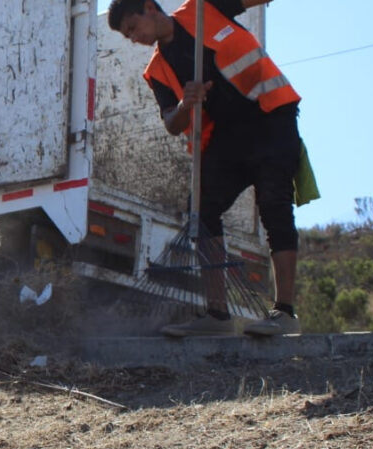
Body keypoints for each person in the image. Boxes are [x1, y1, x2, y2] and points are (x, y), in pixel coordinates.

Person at [108, 0, 305, 337]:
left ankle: (285, 313)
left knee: (275, 206)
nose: (134, 38)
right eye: (128, 36)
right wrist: (187, 103)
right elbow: (172, 122)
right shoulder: (157, 70)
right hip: (226, 139)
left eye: (132, 28)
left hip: (270, 117)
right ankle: (217, 316)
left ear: (148, 8)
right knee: (200, 209)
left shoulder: (203, 8)